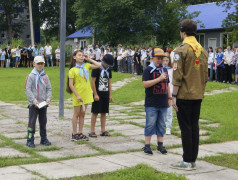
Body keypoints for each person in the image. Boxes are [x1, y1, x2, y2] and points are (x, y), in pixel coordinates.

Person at [171, 19, 208, 170]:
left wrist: (173, 97)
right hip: (198, 94)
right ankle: (192, 159)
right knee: (194, 126)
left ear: (183, 32)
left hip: (184, 95)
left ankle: (186, 161)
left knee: (185, 127)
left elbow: (177, 75)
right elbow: (205, 76)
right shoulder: (202, 50)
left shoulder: (181, 50)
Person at [66, 50, 101, 141]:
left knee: (83, 113)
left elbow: (99, 65)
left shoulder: (86, 66)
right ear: (74, 57)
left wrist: (89, 59)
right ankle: (74, 134)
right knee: (76, 114)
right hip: (78, 95)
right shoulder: (72, 70)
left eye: (82, 55)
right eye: (79, 55)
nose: (81, 57)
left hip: (86, 95)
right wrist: (77, 95)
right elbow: (71, 85)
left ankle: (80, 132)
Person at [142, 48, 171, 155]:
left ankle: (160, 144)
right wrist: (159, 79)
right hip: (152, 102)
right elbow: (145, 84)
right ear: (152, 58)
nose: (160, 60)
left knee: (162, 124)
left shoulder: (164, 69)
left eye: (161, 59)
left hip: (163, 102)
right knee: (150, 124)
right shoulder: (148, 70)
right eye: (158, 58)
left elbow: (167, 85)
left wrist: (169, 98)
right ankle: (147, 145)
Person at [25, 56, 52, 147]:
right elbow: (27, 89)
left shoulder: (45, 76)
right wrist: (33, 100)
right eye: (38, 64)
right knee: (32, 122)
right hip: (34, 104)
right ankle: (30, 139)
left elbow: (49, 88)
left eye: (42, 64)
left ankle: (43, 139)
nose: (40, 65)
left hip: (43, 104)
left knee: (43, 122)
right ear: (34, 64)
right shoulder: (31, 76)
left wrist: (48, 98)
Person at [89, 54, 114, 137]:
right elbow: (93, 81)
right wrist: (95, 94)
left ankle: (103, 130)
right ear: (103, 62)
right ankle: (92, 131)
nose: (108, 66)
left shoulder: (108, 70)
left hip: (105, 93)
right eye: (107, 64)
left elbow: (109, 82)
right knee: (95, 112)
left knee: (104, 112)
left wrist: (110, 95)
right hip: (98, 93)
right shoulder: (97, 68)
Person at [163, 53, 173, 135]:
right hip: (162, 92)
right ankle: (162, 126)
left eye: (167, 60)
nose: (165, 62)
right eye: (164, 60)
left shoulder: (171, 69)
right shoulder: (160, 70)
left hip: (170, 92)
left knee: (169, 111)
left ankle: (168, 127)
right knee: (163, 111)